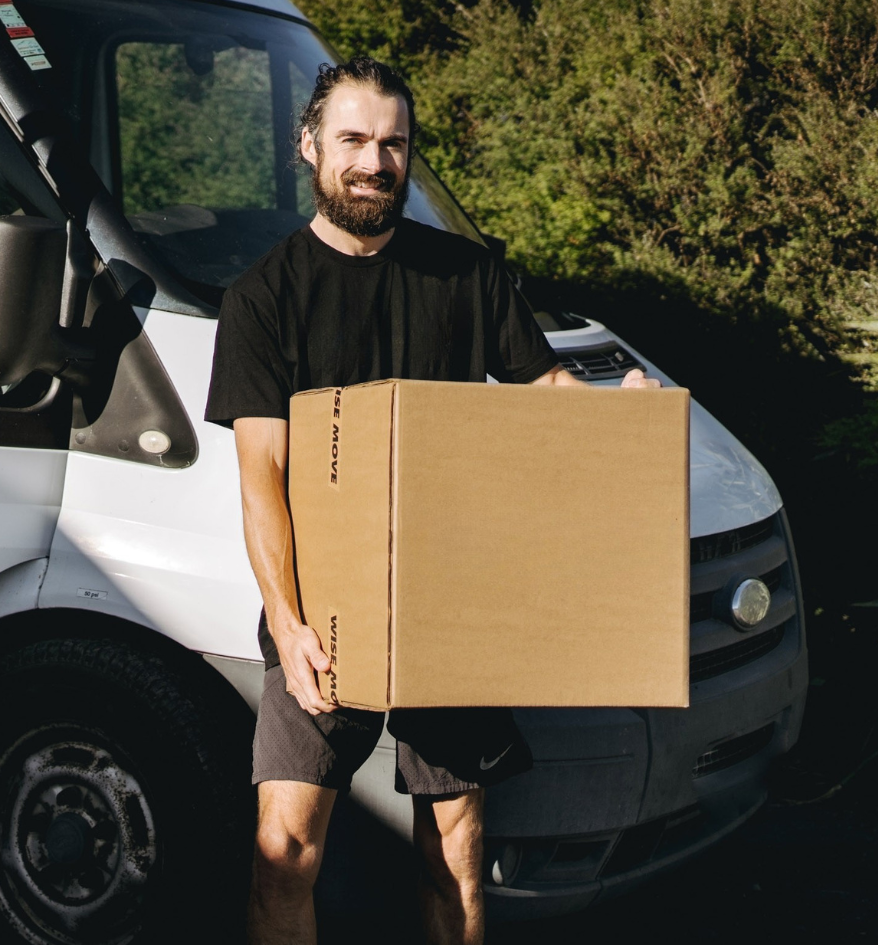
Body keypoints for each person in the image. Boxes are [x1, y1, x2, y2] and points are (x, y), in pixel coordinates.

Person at [204, 58, 661, 945]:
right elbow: (262, 480)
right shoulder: (262, 297)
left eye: (393, 144)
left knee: (454, 850)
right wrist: (289, 627)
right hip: (322, 619)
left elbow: (546, 389)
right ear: (309, 147)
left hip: (448, 605)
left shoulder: (466, 273)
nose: (375, 162)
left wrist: (622, 425)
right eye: (353, 140)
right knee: (284, 850)